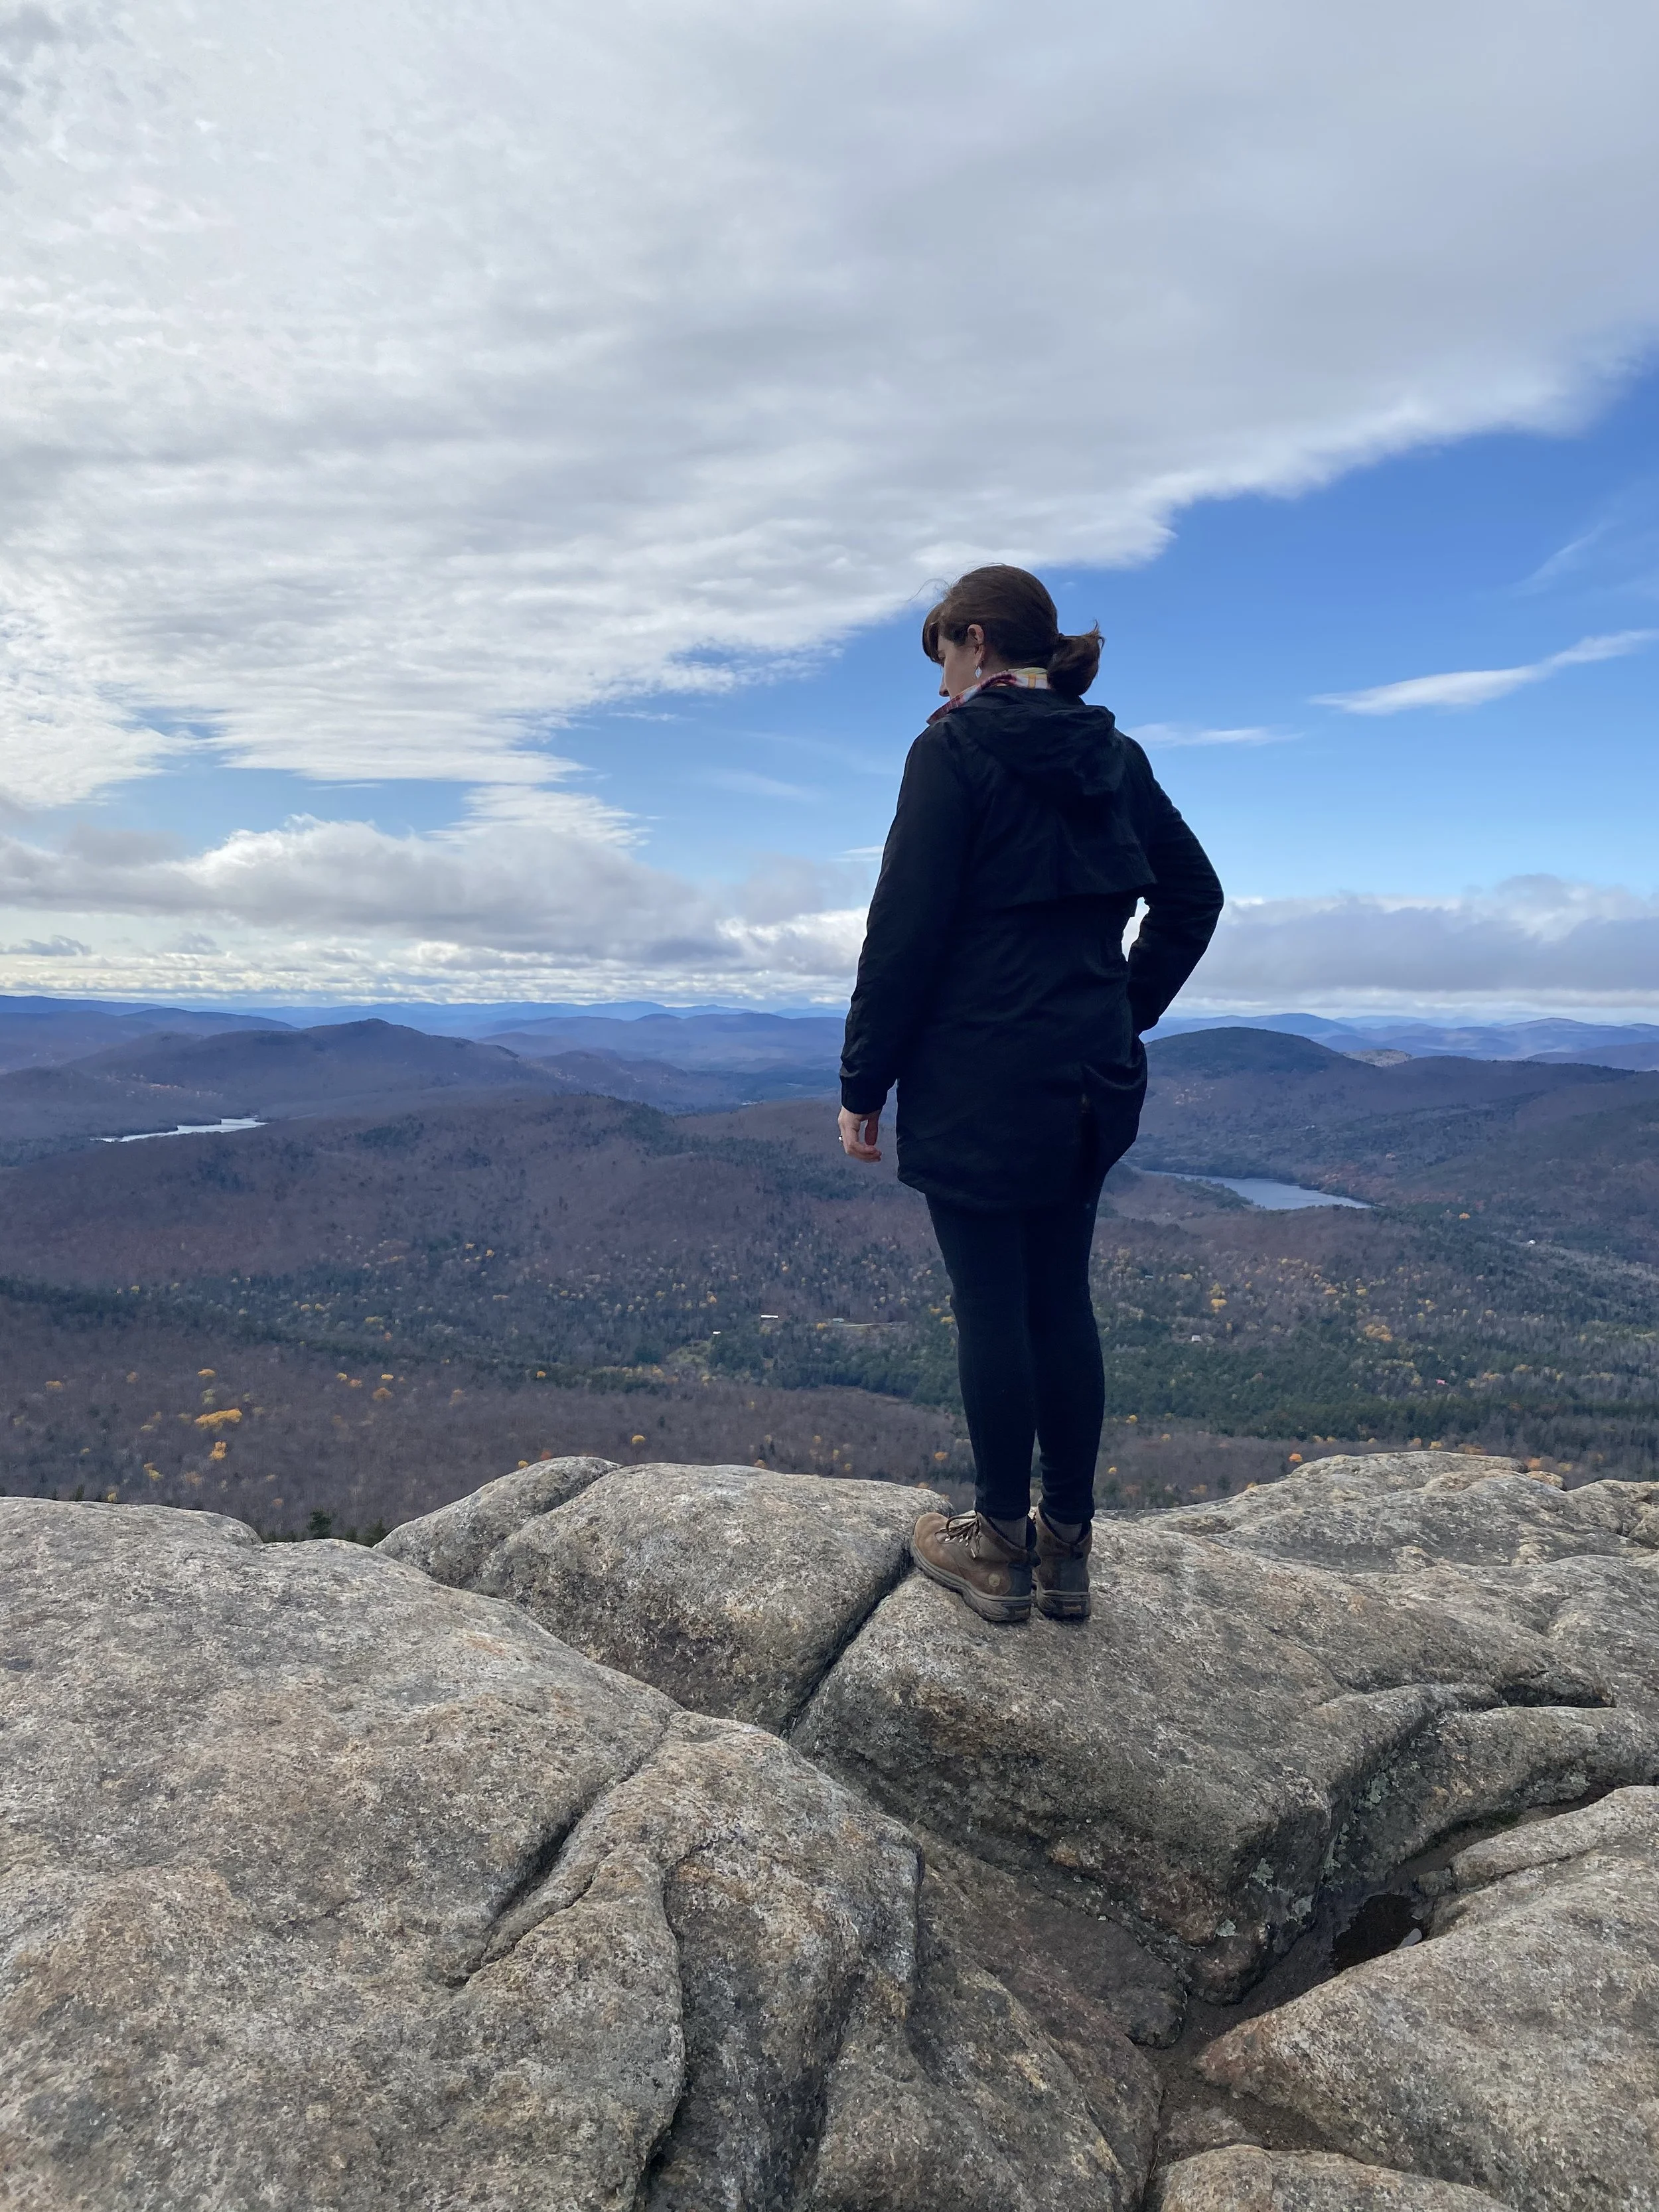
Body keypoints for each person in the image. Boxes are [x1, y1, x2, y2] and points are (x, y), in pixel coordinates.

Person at [837, 564, 1222, 1625]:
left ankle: (998, 1542)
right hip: (1088, 1083)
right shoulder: (1113, 755)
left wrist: (863, 1079)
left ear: (972, 641)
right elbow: (1194, 894)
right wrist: (1120, 1011)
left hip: (975, 1078)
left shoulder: (951, 751)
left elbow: (905, 932)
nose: (945, 679)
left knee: (992, 1306)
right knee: (1062, 1300)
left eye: (945, 658)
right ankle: (1069, 1548)